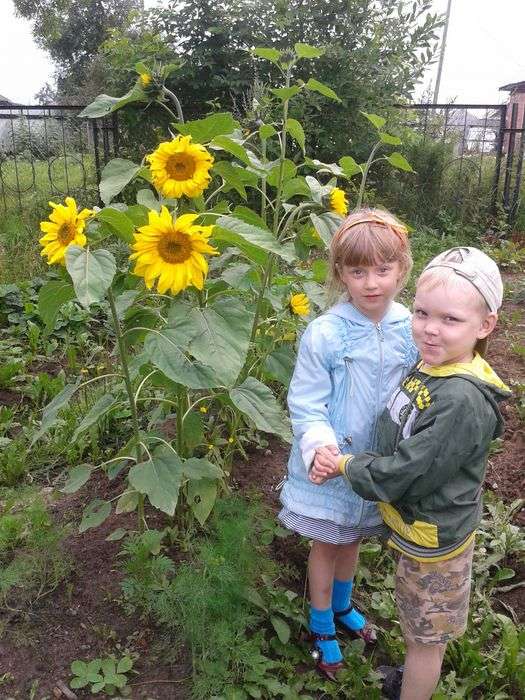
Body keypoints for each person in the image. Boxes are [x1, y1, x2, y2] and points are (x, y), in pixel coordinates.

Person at [310, 246, 511, 699]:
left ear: (485, 325)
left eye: (450, 319)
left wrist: (345, 464)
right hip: (419, 532)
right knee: (415, 621)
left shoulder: (460, 399)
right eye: (421, 313)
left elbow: (407, 473)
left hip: (437, 546)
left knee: (425, 640)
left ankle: (414, 689)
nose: (430, 329)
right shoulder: (436, 365)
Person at [279, 208, 418, 679]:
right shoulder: (327, 333)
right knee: (326, 542)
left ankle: (341, 606)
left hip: (374, 462)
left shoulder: (410, 329)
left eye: (383, 270)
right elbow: (306, 401)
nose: (371, 283)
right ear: (340, 273)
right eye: (357, 271)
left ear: (403, 268)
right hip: (330, 462)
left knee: (354, 535)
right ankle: (321, 624)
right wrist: (319, 446)